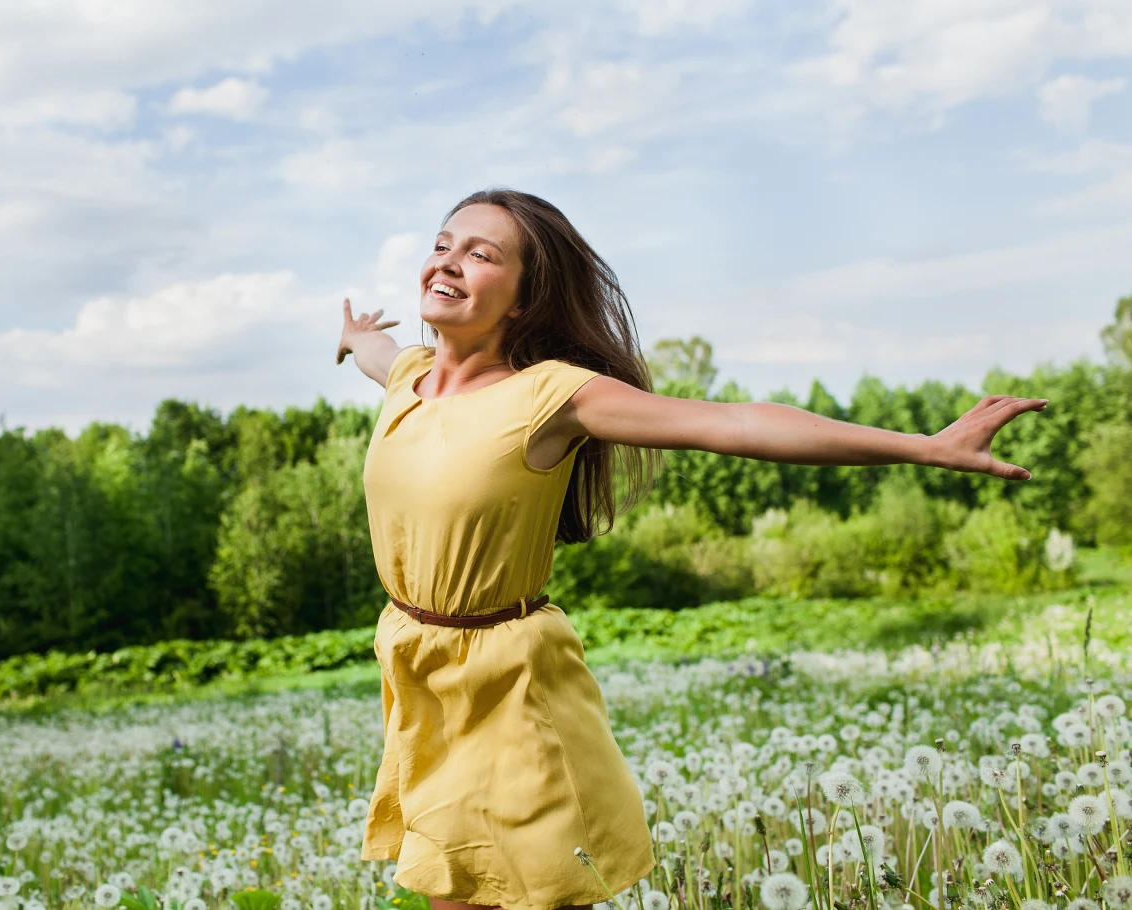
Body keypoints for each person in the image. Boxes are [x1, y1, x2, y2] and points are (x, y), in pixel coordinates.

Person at [334, 188, 1046, 910]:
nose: (448, 262)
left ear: (524, 299)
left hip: (508, 684)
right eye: (443, 244)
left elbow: (735, 424)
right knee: (447, 890)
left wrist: (921, 448)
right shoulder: (407, 376)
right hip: (419, 667)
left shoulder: (552, 396)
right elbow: (376, 350)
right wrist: (354, 335)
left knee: (528, 893)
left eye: (480, 254)